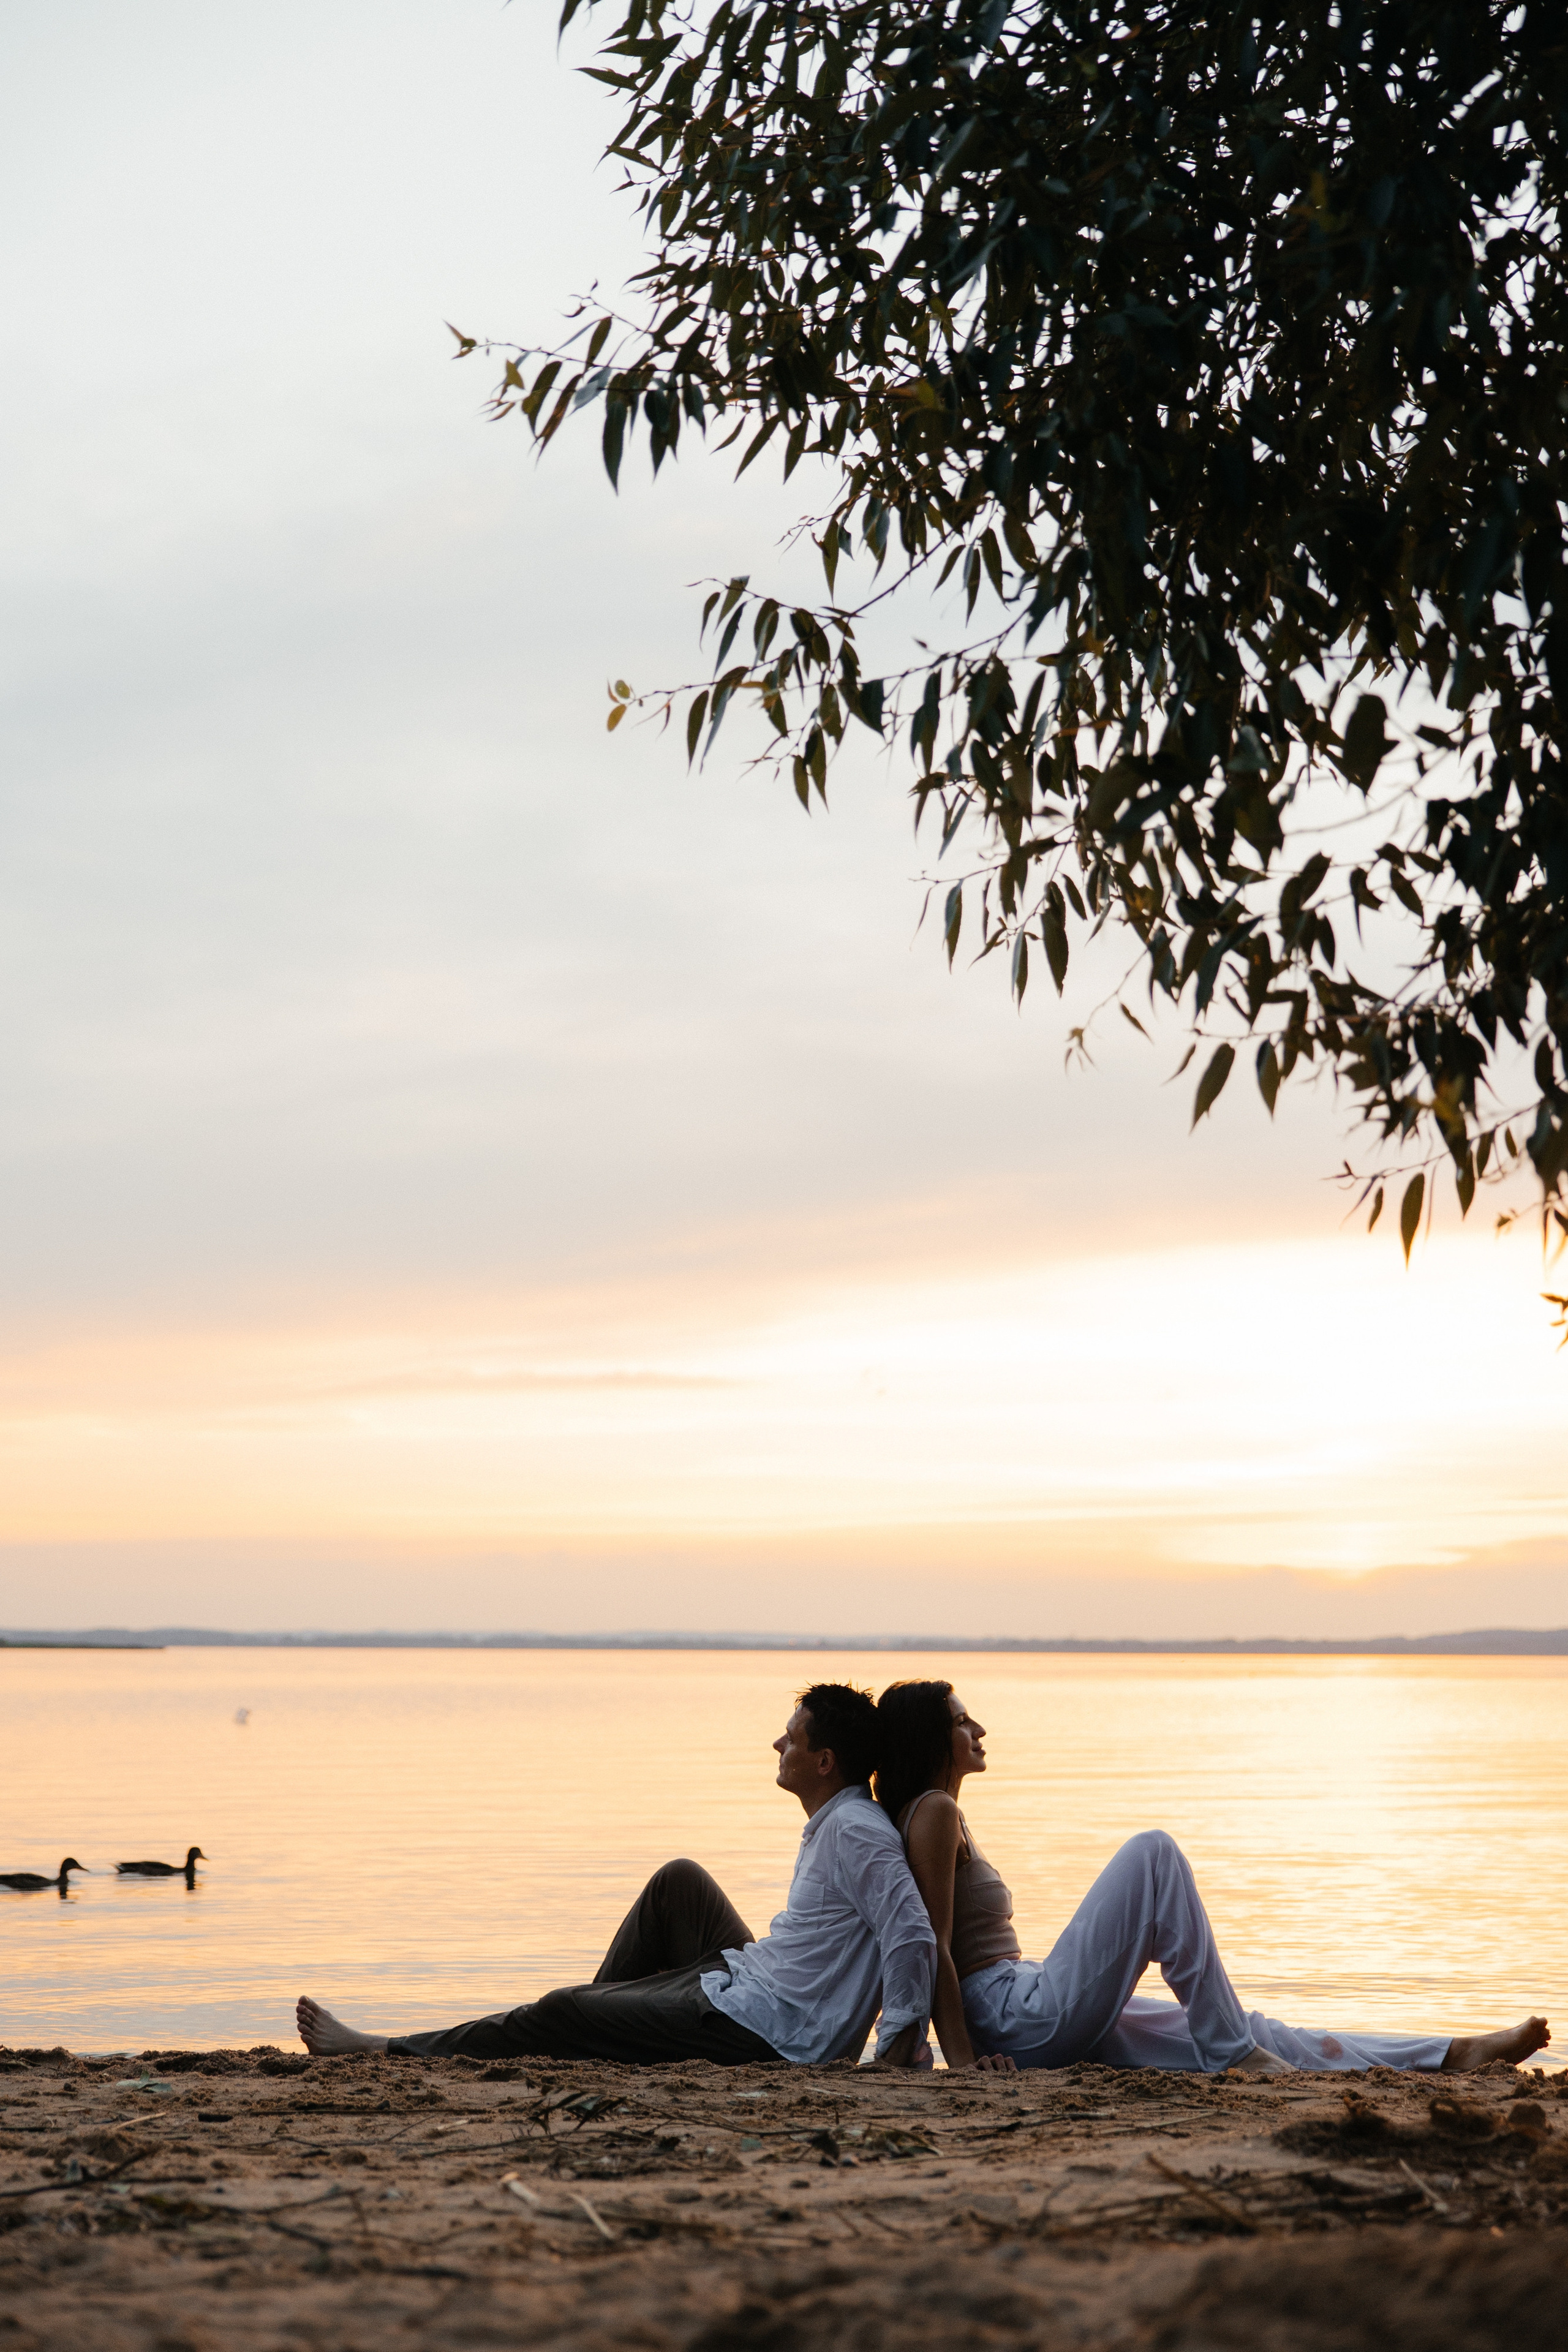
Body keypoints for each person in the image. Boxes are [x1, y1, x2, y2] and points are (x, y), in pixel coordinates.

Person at [874, 1678, 1551, 2076]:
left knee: (1249, 2027)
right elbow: (928, 1941)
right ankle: (1235, 2055)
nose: (980, 1728)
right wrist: (963, 2063)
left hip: (1024, 2001)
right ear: (934, 1740)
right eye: (963, 1721)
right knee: (1153, 1853)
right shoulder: (932, 1812)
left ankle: (1452, 2055)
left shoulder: (942, 1811)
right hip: (1013, 2020)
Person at [297, 1683, 935, 2068]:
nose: (777, 1746)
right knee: (678, 1882)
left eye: (790, 1739)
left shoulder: (854, 1830)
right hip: (755, 1986)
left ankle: (388, 2050)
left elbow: (911, 1932)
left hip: (769, 2033)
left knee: (561, 2008)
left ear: (823, 1761)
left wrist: (898, 2045)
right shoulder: (841, 1819)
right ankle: (598, 2031)